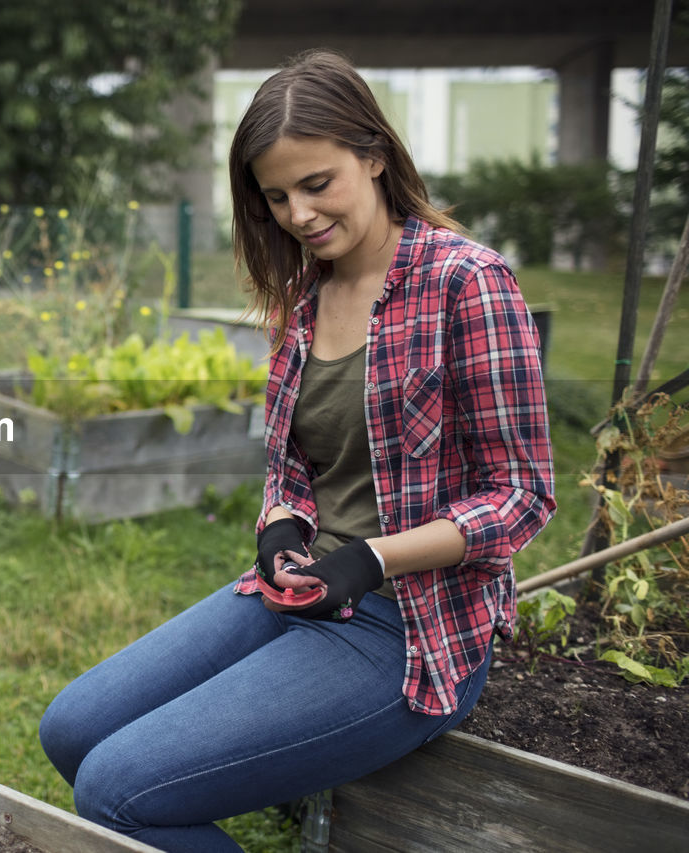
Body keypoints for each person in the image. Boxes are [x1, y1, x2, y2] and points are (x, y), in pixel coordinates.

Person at [37, 49, 556, 852]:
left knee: (115, 791)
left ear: (374, 156)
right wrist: (282, 523)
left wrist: (371, 561)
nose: (299, 214)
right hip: (300, 590)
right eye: (277, 196)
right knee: (70, 731)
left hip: (405, 629)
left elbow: (520, 494)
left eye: (318, 184)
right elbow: (293, 465)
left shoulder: (468, 282)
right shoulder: (305, 296)